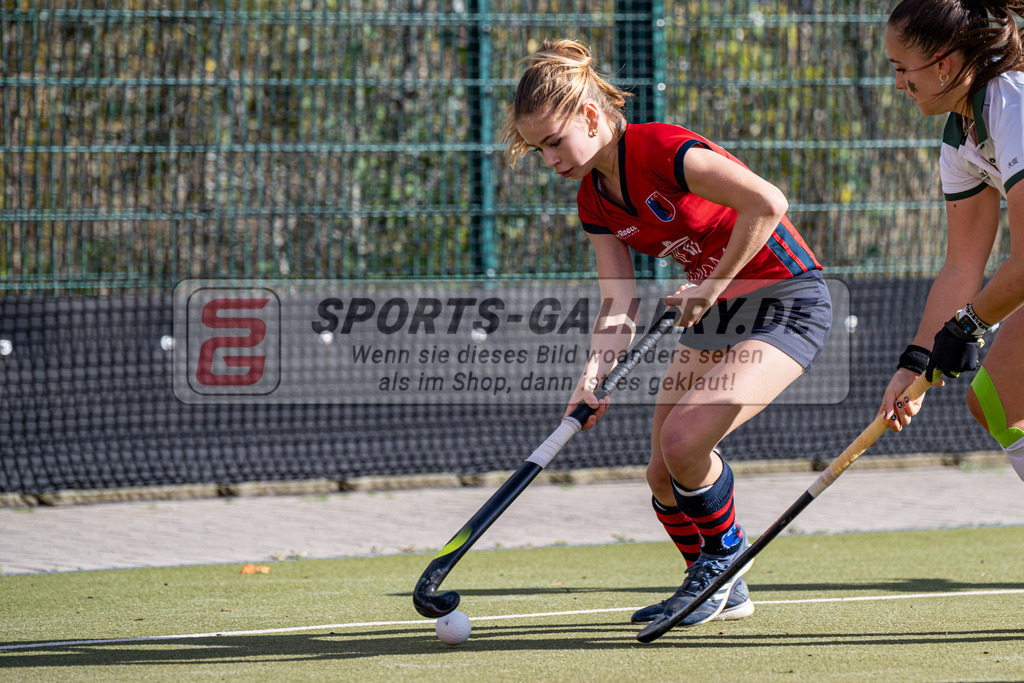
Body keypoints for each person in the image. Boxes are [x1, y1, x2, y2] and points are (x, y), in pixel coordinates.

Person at [500, 39, 832, 628]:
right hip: (714, 313)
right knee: (662, 470)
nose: (550, 159)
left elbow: (767, 201)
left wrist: (710, 287)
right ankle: (716, 584)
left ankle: (724, 562)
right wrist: (592, 377)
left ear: (591, 117)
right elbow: (618, 299)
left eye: (554, 141)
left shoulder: (657, 147)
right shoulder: (593, 200)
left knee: (684, 441)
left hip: (785, 299)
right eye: (538, 148)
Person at [881, 0, 1024, 483]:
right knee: (997, 399)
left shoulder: (1014, 104)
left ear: (943, 64)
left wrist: (969, 325)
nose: (899, 84)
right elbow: (962, 267)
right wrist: (914, 366)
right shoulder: (961, 135)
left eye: (903, 69)